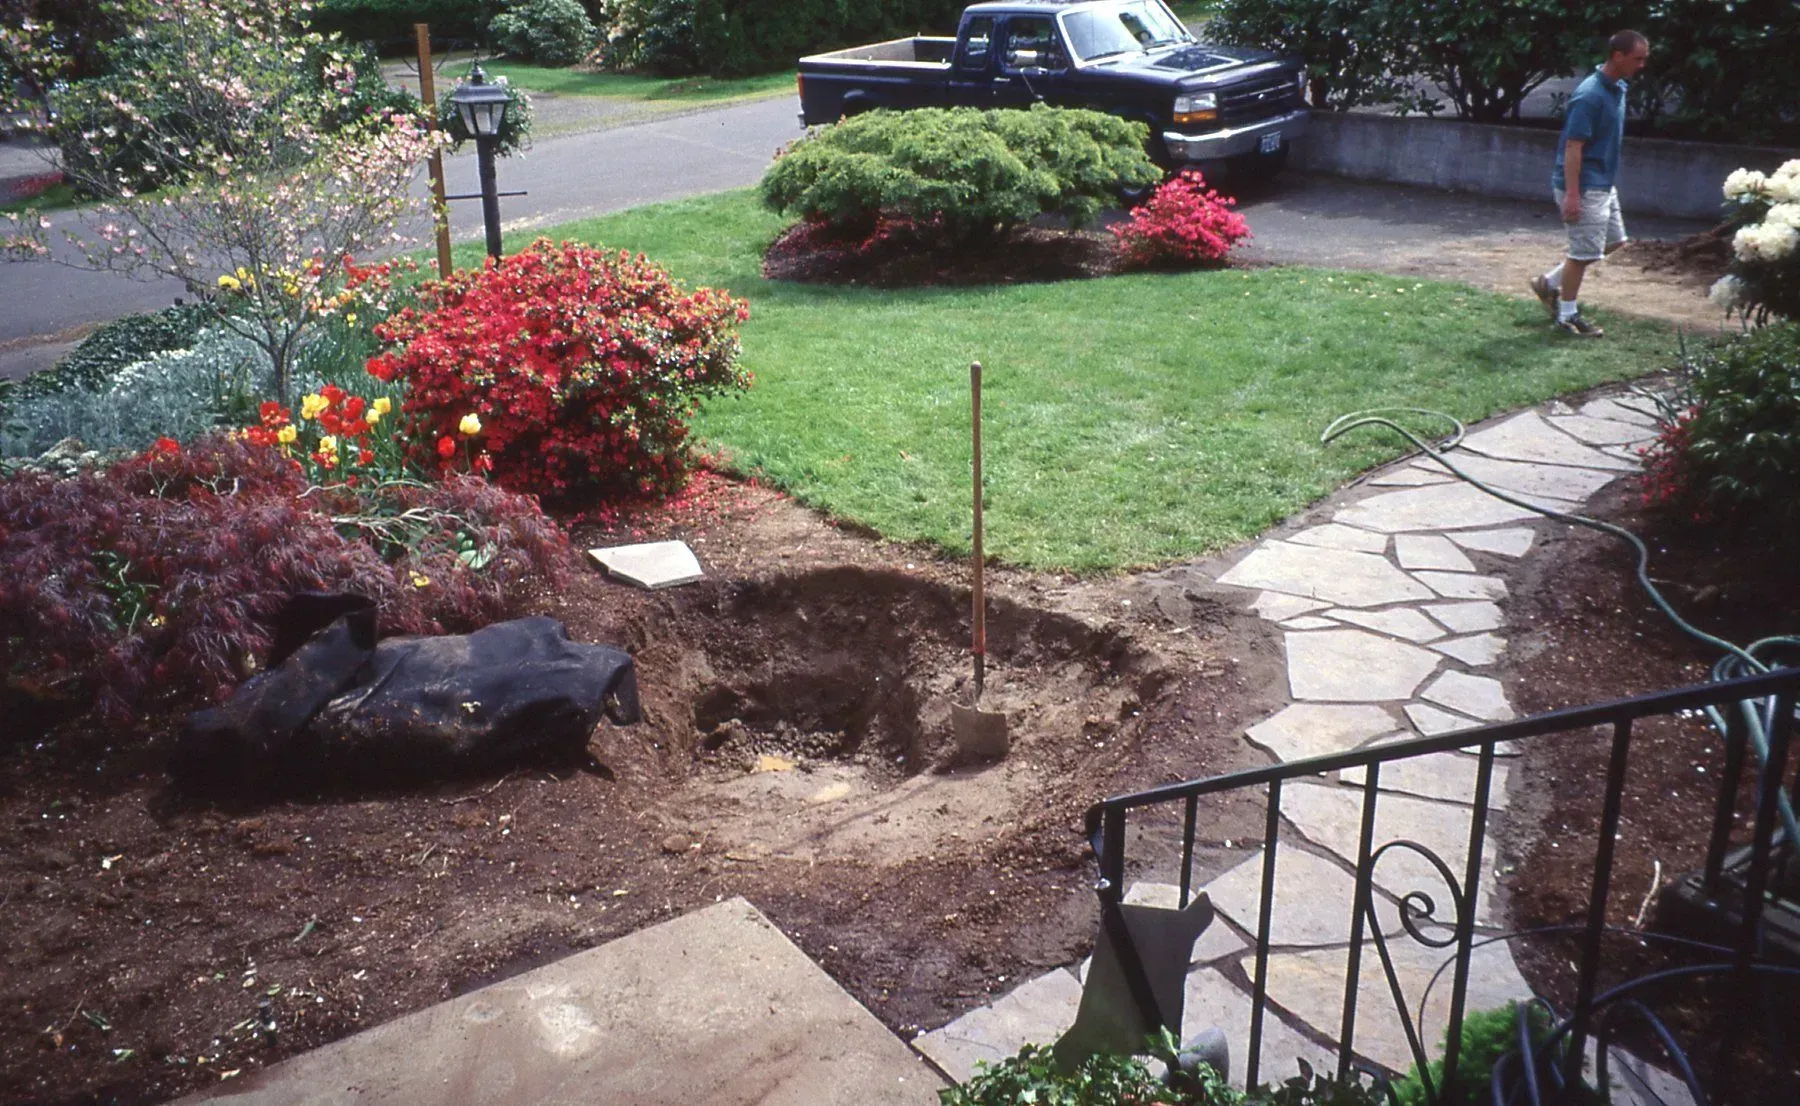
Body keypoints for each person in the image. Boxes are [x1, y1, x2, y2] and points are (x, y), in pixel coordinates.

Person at [1530, 30, 1651, 338]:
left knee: (1613, 242)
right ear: (1618, 56)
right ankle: (1567, 316)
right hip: (1584, 186)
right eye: (1637, 59)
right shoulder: (1590, 96)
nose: (1642, 65)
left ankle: (1550, 283)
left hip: (1602, 184)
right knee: (1583, 254)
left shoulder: (1617, 87)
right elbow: (1573, 147)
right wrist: (1572, 195)